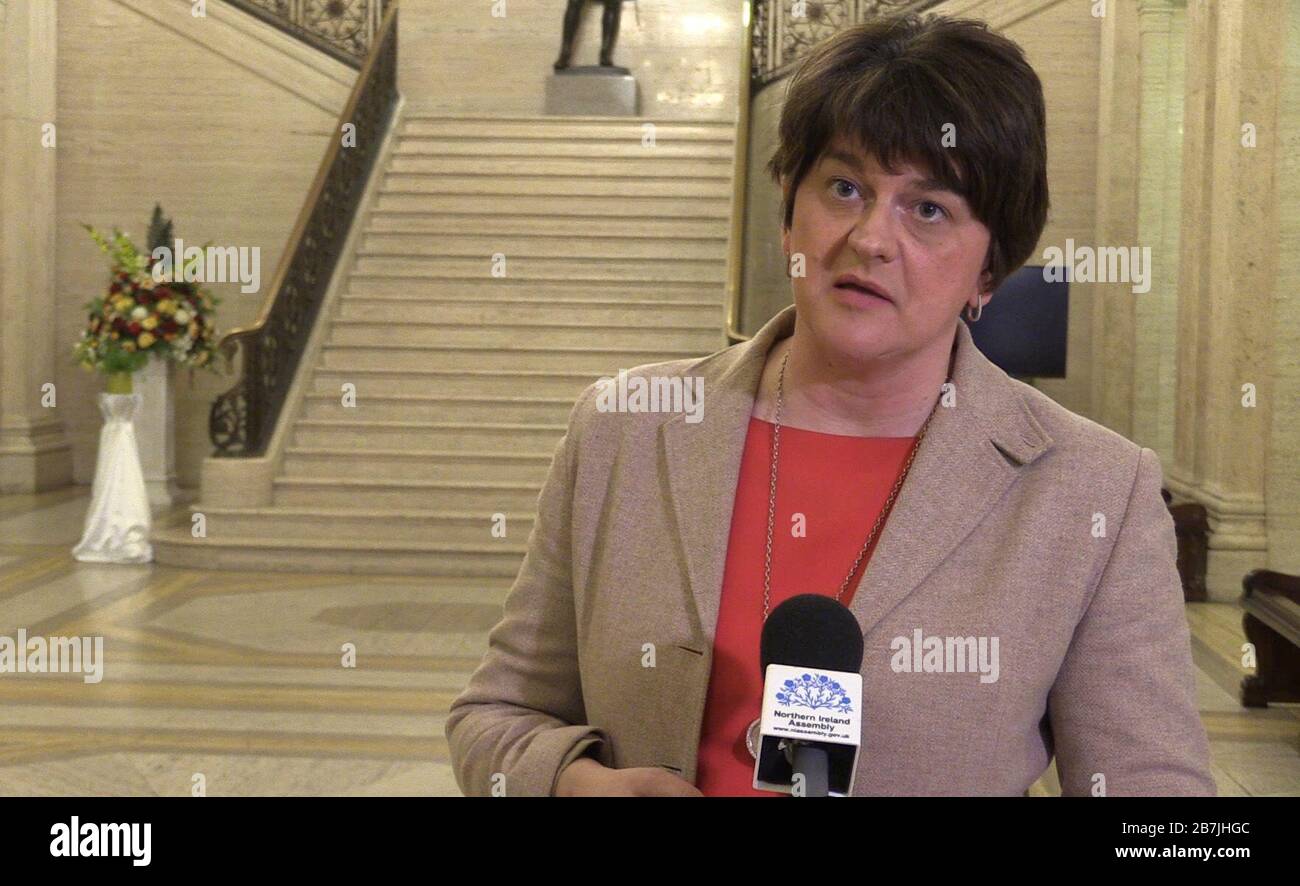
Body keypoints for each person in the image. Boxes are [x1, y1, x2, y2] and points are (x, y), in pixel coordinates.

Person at [446, 13, 1215, 797]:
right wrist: (578, 785)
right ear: (789, 209)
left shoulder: (1093, 492)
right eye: (844, 187)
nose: (871, 238)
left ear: (990, 271)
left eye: (929, 209)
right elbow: (498, 716)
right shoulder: (626, 427)